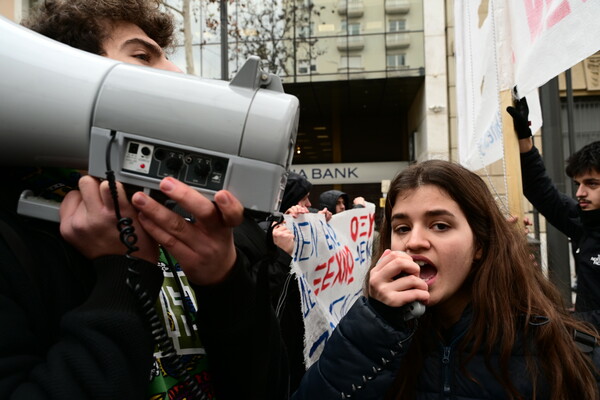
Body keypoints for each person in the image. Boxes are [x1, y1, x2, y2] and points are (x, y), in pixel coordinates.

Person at [0, 1, 287, 399]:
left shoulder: (176, 217)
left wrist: (224, 281)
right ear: (66, 74)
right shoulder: (14, 241)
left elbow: (267, 389)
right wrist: (122, 273)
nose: (175, 73)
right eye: (143, 56)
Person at [293, 160, 600, 399]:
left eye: (439, 226)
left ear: (479, 244)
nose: (414, 242)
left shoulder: (562, 348)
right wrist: (376, 324)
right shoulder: (375, 338)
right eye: (401, 228)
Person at [507, 97, 600, 312]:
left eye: (591, 184)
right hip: (586, 341)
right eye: (577, 184)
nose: (580, 193)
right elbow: (540, 190)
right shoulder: (583, 221)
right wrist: (524, 137)